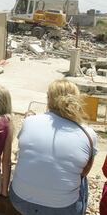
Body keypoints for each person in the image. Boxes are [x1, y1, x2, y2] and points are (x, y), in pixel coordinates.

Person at [10, 79, 97, 215]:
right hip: (63, 209)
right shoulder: (88, 134)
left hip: (20, 200)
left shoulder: (30, 122)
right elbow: (84, 172)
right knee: (82, 181)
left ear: (49, 99)